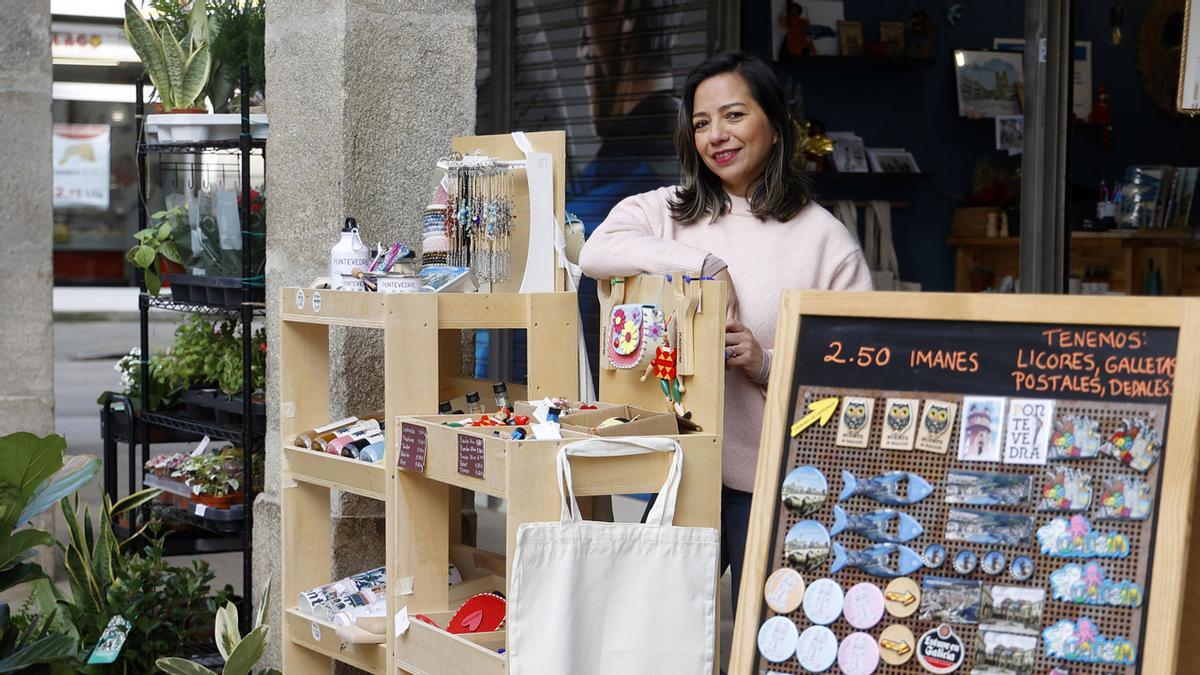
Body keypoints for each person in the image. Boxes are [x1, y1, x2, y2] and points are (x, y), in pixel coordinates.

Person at [579, 51, 873, 614]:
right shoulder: (667, 212)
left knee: (764, 636)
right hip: (683, 472)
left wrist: (764, 362)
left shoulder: (825, 241)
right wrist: (703, 265)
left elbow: (856, 373)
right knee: (650, 628)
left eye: (734, 115)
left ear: (775, 122)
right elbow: (597, 252)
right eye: (701, 123)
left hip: (778, 485)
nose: (716, 135)